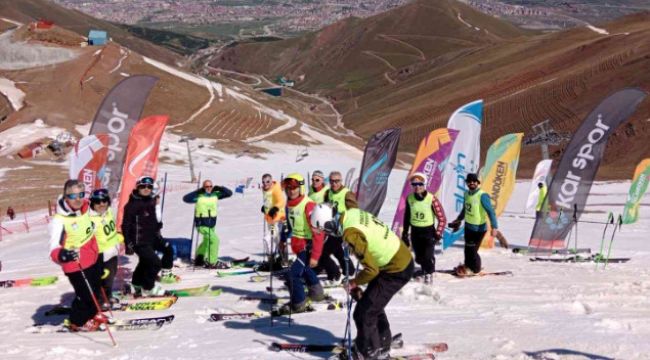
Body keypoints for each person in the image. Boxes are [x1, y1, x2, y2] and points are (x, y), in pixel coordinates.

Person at [310, 204, 413, 360]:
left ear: (329, 224)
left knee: (364, 313)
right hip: (396, 258)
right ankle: (382, 342)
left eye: (325, 230)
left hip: (396, 269)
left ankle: (368, 352)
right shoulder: (351, 214)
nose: (326, 234)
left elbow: (372, 270)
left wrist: (353, 282)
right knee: (371, 304)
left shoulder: (351, 234)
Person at [49, 180, 107, 332]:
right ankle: (77, 321)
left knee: (95, 291)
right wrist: (63, 254)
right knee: (85, 295)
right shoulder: (60, 220)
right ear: (66, 196)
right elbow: (54, 249)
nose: (77, 199)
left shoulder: (86, 207)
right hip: (76, 265)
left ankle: (92, 314)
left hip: (93, 258)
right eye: (73, 195)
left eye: (81, 194)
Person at [276, 173, 326, 314]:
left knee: (292, 274)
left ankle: (298, 303)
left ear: (301, 188)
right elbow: (290, 226)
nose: (291, 190)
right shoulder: (289, 204)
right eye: (288, 187)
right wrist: (282, 239)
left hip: (308, 246)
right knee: (305, 269)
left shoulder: (308, 205)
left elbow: (318, 232)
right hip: (297, 245)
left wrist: (315, 255)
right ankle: (317, 293)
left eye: (295, 187)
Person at [122, 176, 175, 296]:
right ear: (138, 187)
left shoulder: (150, 201)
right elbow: (125, 225)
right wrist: (128, 243)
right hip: (138, 241)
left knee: (146, 261)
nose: (146, 189)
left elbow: (154, 221)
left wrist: (158, 231)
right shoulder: (131, 205)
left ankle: (136, 284)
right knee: (155, 263)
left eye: (149, 187)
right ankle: (148, 287)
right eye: (143, 186)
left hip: (151, 238)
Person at [448, 173, 499, 276]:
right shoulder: (466, 194)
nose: (472, 183)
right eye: (469, 181)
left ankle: (476, 269)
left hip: (479, 229)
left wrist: (494, 227)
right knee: (467, 249)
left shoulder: (482, 195)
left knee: (472, 250)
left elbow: (490, 211)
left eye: (474, 181)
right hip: (468, 227)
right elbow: (465, 209)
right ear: (467, 183)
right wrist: (458, 220)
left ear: (477, 183)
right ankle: (468, 266)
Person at [401, 172, 446, 284]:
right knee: (419, 257)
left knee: (427, 255)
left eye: (420, 184)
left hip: (428, 232)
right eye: (414, 184)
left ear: (424, 184)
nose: (417, 187)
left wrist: (438, 234)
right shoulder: (410, 198)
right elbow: (407, 217)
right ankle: (426, 268)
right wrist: (405, 233)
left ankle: (429, 274)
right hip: (415, 232)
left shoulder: (432, 199)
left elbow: (442, 218)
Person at [183, 179, 233, 269]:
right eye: (207, 186)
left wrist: (221, 188)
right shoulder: (199, 196)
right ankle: (212, 262)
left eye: (210, 186)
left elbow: (229, 193)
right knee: (215, 240)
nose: (209, 188)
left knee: (207, 241)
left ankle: (199, 257)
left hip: (211, 223)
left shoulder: (215, 195)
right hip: (201, 224)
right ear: (203, 187)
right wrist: (197, 191)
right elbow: (186, 199)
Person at [317, 171, 356, 285]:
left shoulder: (347, 194)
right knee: (338, 252)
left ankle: (334, 275)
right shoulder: (328, 193)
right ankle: (350, 270)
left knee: (322, 254)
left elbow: (355, 212)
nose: (334, 183)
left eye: (337, 181)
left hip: (343, 230)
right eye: (332, 181)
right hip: (332, 230)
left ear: (341, 181)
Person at [88, 188, 124, 308]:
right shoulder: (90, 220)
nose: (102, 204)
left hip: (113, 251)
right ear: (92, 203)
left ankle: (107, 297)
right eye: (98, 202)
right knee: (103, 280)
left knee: (111, 277)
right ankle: (100, 301)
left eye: (104, 201)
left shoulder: (109, 212)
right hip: (101, 255)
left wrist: (118, 237)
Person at [258, 173, 287, 270]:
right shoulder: (264, 189)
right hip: (269, 219)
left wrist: (275, 208)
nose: (265, 184)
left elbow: (281, 202)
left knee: (269, 239)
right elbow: (269, 201)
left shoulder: (276, 189)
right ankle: (277, 260)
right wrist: (265, 208)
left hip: (278, 219)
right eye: (263, 182)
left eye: (268, 182)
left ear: (271, 181)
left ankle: (275, 260)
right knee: (275, 240)